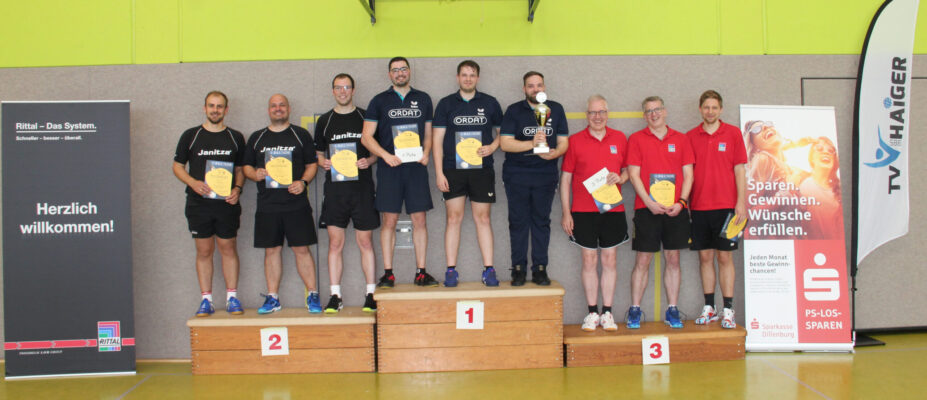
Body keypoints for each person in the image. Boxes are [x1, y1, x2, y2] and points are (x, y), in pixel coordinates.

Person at [360, 57, 437, 287]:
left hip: (416, 168)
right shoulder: (379, 101)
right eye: (395, 70)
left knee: (420, 219)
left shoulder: (423, 99)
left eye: (403, 69)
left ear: (409, 71)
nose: (400, 73)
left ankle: (421, 272)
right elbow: (366, 137)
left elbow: (429, 134)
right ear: (389, 75)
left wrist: (427, 153)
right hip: (389, 169)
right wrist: (385, 156)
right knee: (389, 220)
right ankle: (388, 274)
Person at [243, 94, 321, 314]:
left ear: (289, 108)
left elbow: (312, 165)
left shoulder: (300, 135)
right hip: (267, 205)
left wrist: (303, 182)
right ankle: (273, 298)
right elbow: (246, 167)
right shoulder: (257, 137)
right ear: (269, 110)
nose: (278, 109)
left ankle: (313, 295)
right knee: (271, 250)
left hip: (296, 203)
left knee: (301, 249)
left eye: (282, 105)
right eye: (274, 106)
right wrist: (255, 174)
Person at [173, 91, 246, 317]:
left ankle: (232, 298)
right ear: (204, 108)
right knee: (204, 250)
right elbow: (177, 166)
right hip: (198, 204)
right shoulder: (191, 135)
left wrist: (237, 189)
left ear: (226, 109)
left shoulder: (235, 137)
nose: (215, 110)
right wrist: (193, 183)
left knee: (228, 247)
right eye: (211, 106)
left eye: (219, 106)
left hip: (226, 204)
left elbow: (240, 170)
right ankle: (206, 300)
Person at [560, 95, 629, 331]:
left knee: (610, 259)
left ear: (607, 114)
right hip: (583, 211)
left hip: (613, 210)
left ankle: (607, 312)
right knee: (589, 260)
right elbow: (566, 179)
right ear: (586, 115)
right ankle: (592, 313)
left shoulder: (619, 138)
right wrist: (566, 212)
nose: (597, 117)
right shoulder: (575, 141)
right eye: (592, 112)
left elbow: (629, 170)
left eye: (601, 112)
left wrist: (621, 178)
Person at [432, 60, 503, 287]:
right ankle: (451, 271)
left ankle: (489, 270)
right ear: (458, 78)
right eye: (464, 75)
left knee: (483, 218)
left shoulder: (490, 103)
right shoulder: (445, 104)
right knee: (454, 218)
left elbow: (503, 134)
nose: (468, 78)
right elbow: (436, 141)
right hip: (453, 170)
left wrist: (492, 147)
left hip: (482, 170)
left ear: (478, 78)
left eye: (472, 75)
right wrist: (439, 173)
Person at [626, 96, 694, 329]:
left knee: (673, 259)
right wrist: (648, 202)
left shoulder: (682, 139)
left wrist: (682, 202)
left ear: (664, 111)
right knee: (642, 259)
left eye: (657, 110)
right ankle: (635, 309)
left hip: (676, 209)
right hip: (646, 209)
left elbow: (689, 174)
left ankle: (672, 309)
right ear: (644, 116)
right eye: (649, 111)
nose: (653, 114)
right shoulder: (636, 139)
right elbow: (633, 175)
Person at [314, 73, 379, 313]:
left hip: (362, 190)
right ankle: (335, 296)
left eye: (347, 87)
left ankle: (371, 294)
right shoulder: (325, 120)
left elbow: (376, 151)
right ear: (333, 91)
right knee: (335, 243)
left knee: (365, 242)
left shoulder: (365, 117)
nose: (343, 91)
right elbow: (318, 153)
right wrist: (323, 162)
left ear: (353, 90)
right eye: (338, 88)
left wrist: (369, 161)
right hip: (335, 192)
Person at [500, 71, 568, 286]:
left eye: (539, 85)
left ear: (544, 87)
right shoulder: (513, 110)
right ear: (524, 89)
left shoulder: (556, 109)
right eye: (531, 86)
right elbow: (505, 143)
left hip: (545, 174)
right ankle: (518, 269)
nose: (535, 89)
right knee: (518, 222)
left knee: (541, 221)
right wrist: (532, 143)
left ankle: (540, 268)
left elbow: (563, 142)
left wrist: (555, 153)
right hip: (517, 174)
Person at [686, 90, 747, 329]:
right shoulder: (690, 136)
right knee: (705, 257)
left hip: (727, 208)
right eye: (706, 107)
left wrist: (741, 202)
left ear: (721, 109)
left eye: (714, 107)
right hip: (699, 207)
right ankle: (709, 308)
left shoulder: (733, 133)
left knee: (724, 257)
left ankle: (728, 309)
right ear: (700, 109)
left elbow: (740, 170)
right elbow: (687, 174)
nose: (710, 111)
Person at [799, 137, 842, 239]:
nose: (826, 152)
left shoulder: (840, 191)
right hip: (808, 246)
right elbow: (774, 152)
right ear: (812, 158)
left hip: (834, 246)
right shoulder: (801, 182)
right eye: (819, 148)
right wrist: (796, 144)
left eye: (831, 150)